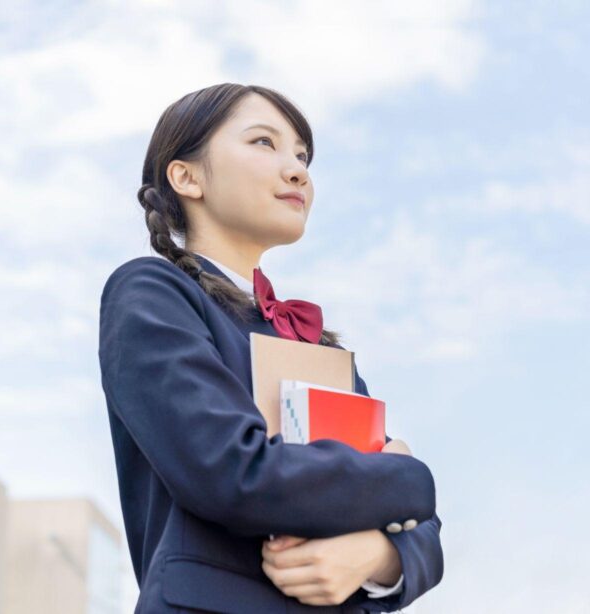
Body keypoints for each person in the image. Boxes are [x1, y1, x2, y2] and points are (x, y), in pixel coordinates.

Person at [98, 83, 443, 613]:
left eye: (303, 156)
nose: (298, 170)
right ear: (186, 176)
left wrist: (377, 557)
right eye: (264, 143)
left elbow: (421, 534)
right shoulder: (151, 292)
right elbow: (229, 471)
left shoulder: (310, 340)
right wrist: (407, 476)